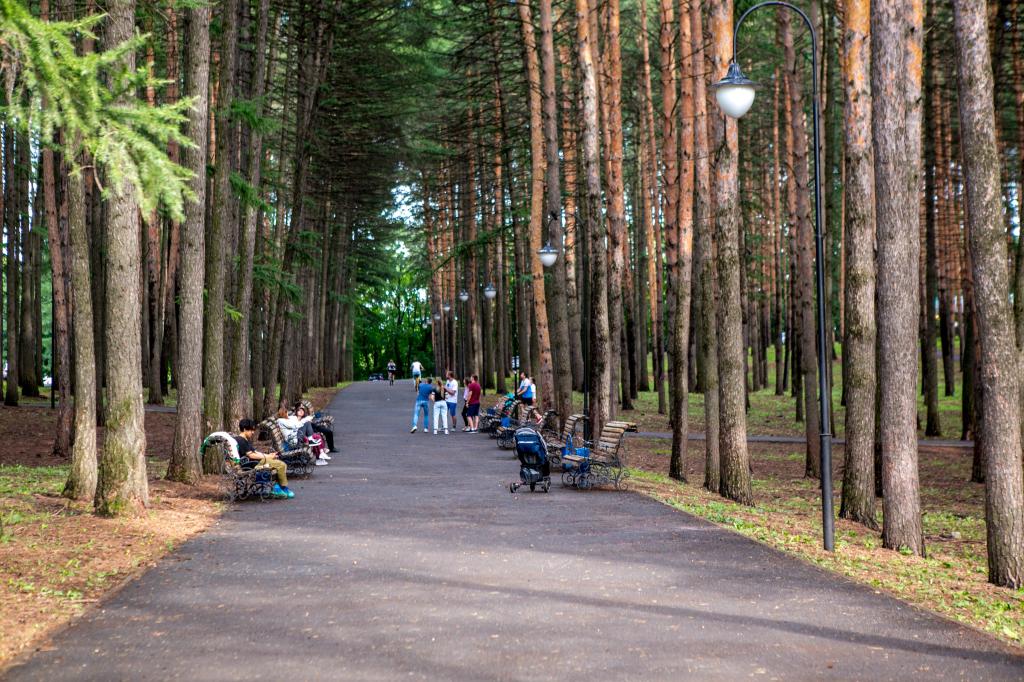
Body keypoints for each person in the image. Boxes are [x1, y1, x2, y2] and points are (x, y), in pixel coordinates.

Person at [236, 419, 294, 499]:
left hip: (257, 462)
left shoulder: (245, 440)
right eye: (251, 430)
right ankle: (281, 488)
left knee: (278, 464)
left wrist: (268, 455)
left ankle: (279, 487)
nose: (253, 432)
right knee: (281, 465)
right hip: (252, 464)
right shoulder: (240, 440)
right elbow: (251, 455)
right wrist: (267, 457)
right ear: (245, 429)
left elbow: (255, 452)